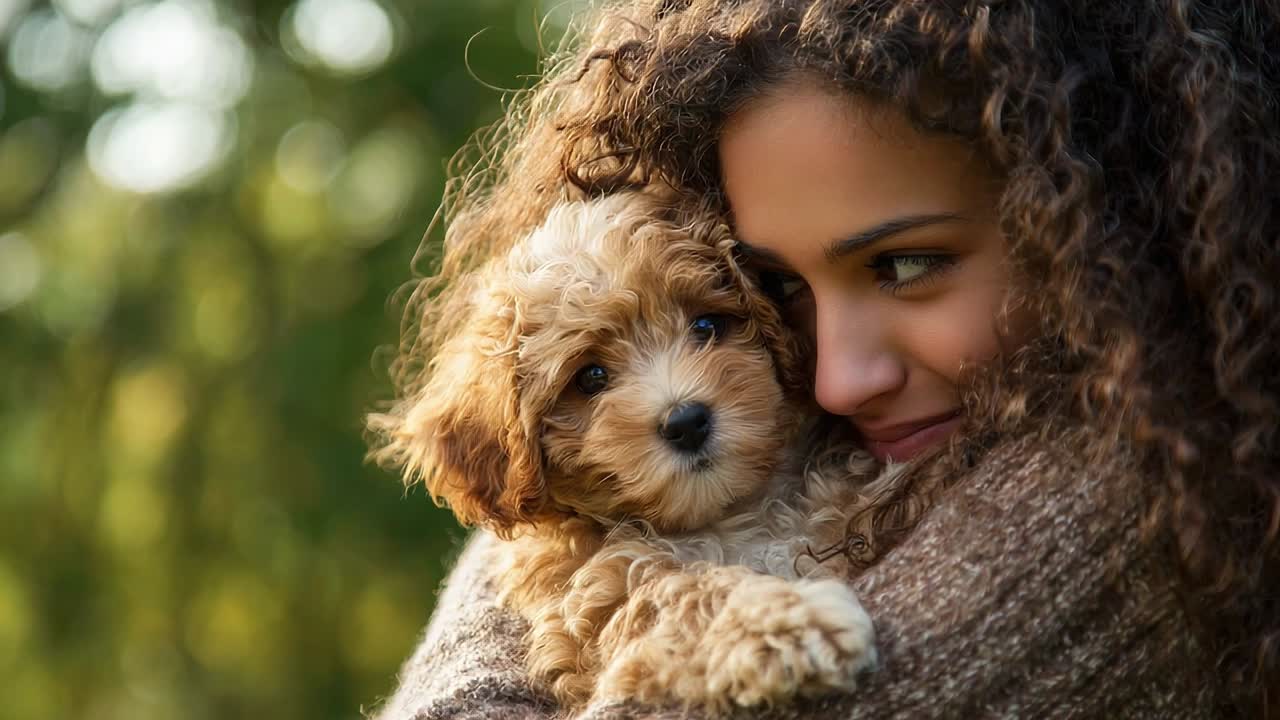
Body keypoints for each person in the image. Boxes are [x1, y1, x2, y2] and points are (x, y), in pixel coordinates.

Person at [371, 1, 1279, 717]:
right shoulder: (579, 537)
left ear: (1096, 215)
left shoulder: (1176, 475)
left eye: (909, 264)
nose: (832, 378)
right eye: (775, 285)